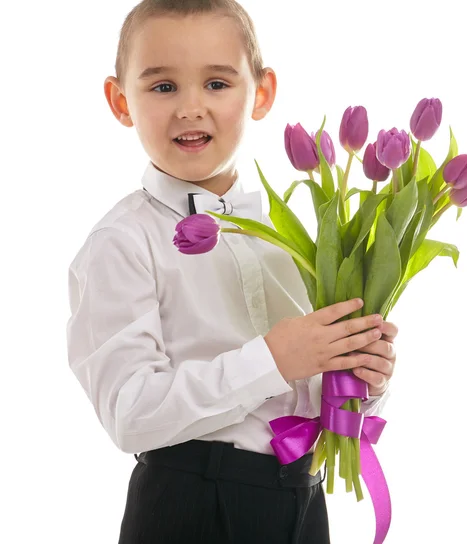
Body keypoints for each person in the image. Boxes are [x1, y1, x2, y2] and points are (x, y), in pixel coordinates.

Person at [65, 1, 397, 542]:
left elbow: (309, 391)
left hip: (301, 497)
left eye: (217, 84)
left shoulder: (299, 234)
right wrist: (273, 357)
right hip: (190, 502)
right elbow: (130, 414)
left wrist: (360, 375)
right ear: (121, 101)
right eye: (163, 87)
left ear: (260, 93)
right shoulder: (122, 243)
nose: (191, 108)